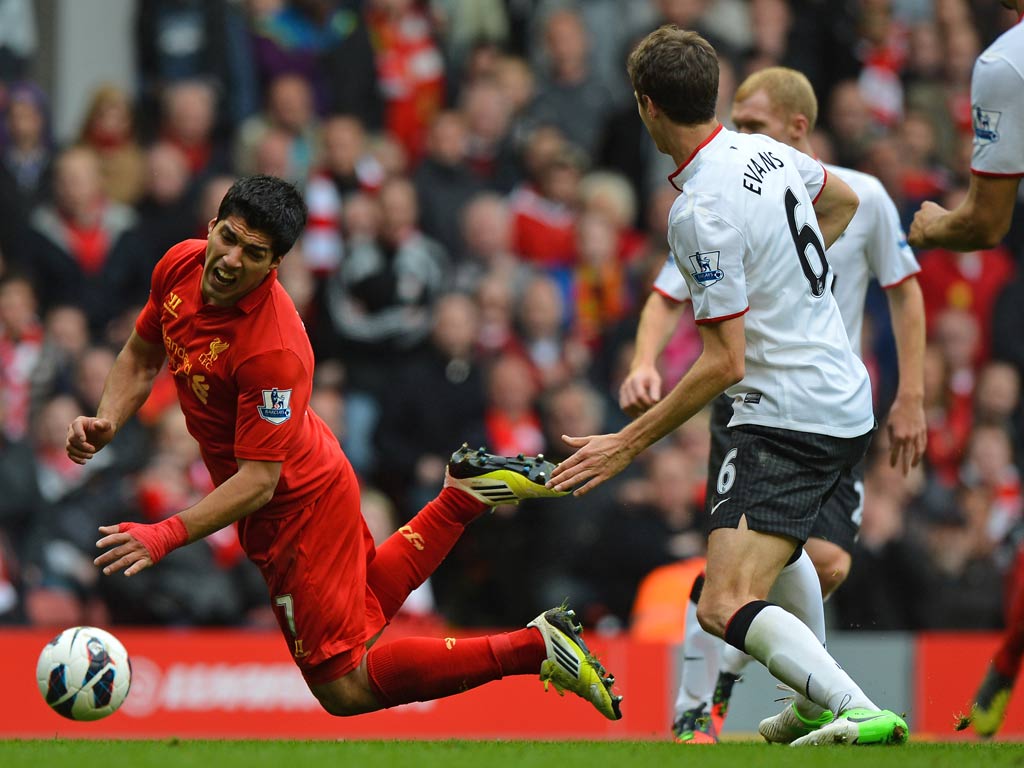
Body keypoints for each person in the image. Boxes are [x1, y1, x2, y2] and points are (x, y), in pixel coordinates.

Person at [64, 174, 622, 721]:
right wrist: (108, 417)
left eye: (252, 253)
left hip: (294, 506)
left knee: (343, 687)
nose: (231, 259)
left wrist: (164, 535)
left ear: (274, 265)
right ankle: (464, 498)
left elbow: (260, 481)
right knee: (367, 605)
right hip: (305, 473)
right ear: (211, 226)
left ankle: (535, 649)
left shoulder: (272, 350)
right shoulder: (181, 262)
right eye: (228, 238)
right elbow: (141, 354)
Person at [547, 27, 908, 747]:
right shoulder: (774, 153)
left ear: (648, 108)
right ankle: (809, 702)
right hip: (842, 396)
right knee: (783, 558)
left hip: (784, 413)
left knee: (722, 603)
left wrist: (625, 444)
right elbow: (842, 206)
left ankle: (851, 706)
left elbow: (723, 363)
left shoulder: (698, 210)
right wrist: (789, 291)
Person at [908, 1, 1024, 740]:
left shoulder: (1005, 62)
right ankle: (1008, 661)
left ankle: (1007, 661)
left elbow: (984, 223)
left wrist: (932, 224)